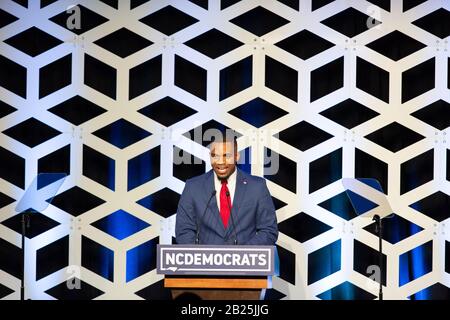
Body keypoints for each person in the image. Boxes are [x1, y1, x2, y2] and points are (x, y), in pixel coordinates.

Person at [175, 132, 278, 245]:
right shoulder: (193, 187)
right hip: (205, 261)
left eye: (226, 156)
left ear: (236, 156)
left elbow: (269, 230)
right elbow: (184, 230)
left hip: (245, 260)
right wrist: (199, 257)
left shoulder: (257, 187)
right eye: (215, 155)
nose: (220, 162)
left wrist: (243, 255)